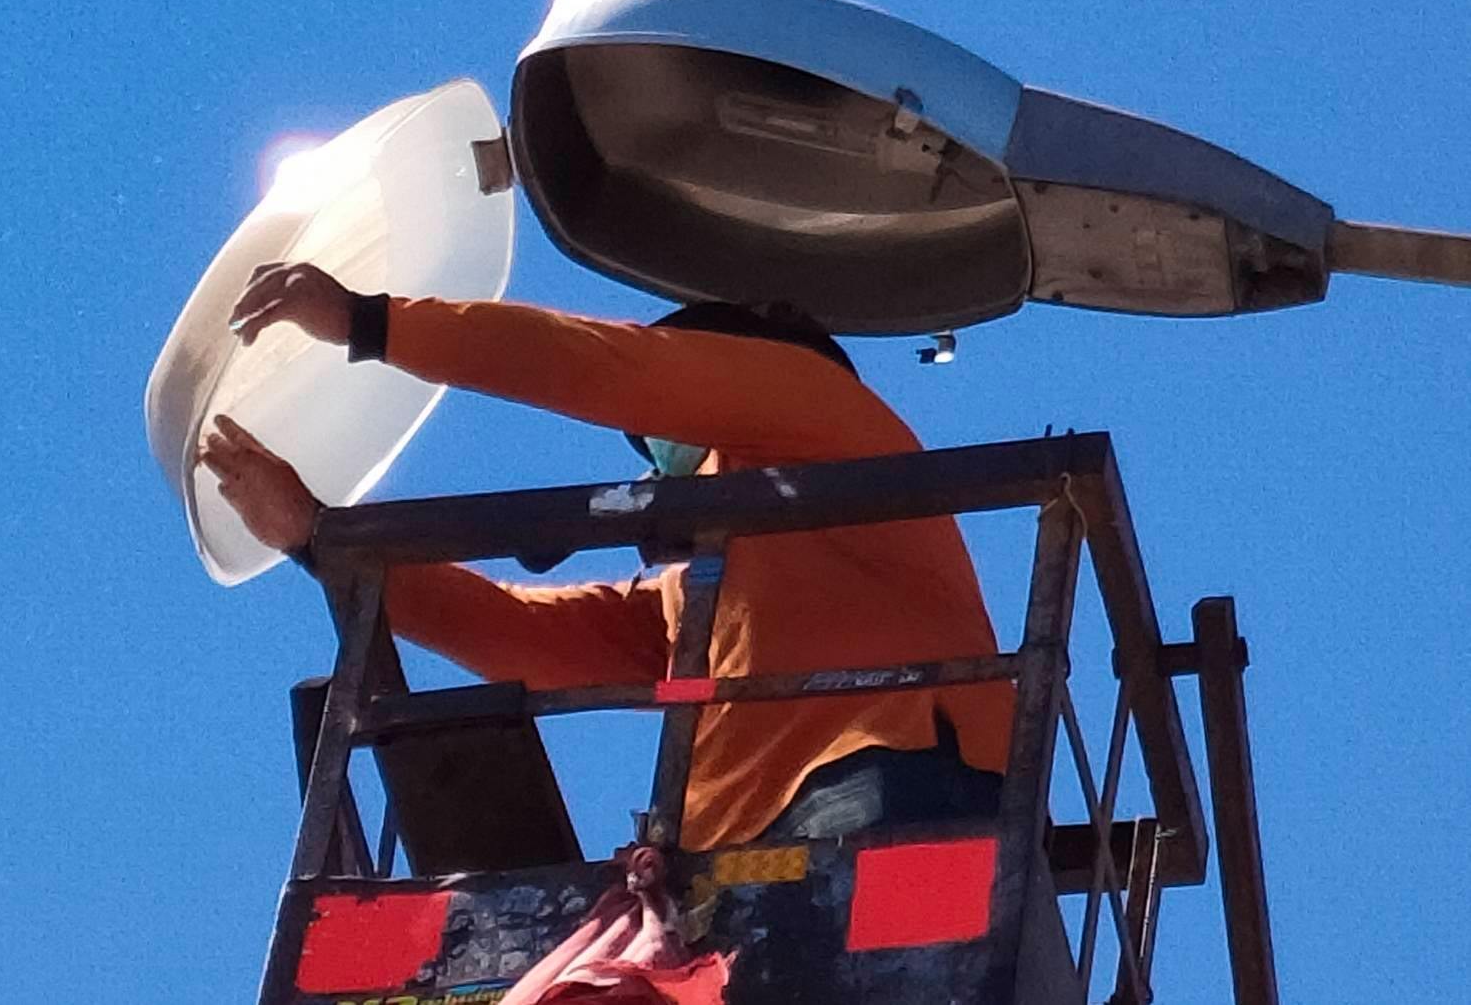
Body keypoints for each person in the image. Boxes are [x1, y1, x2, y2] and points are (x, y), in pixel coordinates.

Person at [202, 262, 1016, 851]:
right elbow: (519, 634)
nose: (654, 453)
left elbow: (592, 364)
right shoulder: (708, 592)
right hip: (742, 843)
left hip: (895, 774)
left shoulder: (813, 400)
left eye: (655, 435)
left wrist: (369, 321)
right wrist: (315, 535)